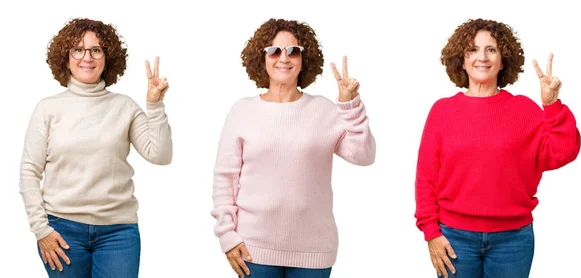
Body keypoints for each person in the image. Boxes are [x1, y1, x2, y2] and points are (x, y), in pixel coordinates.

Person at [414, 18, 581, 278]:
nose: (482, 57)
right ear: (462, 59)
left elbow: (563, 152)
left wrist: (552, 106)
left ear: (503, 60)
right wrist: (430, 233)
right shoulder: (442, 111)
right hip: (454, 239)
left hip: (513, 242)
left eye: (491, 49)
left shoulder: (525, 110)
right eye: (473, 49)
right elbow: (426, 178)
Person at [210, 18, 376, 278]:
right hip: (253, 249)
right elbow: (225, 179)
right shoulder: (242, 111)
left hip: (313, 251)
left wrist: (350, 104)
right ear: (262, 58)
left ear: (303, 59)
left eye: (293, 51)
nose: (283, 59)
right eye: (274, 51)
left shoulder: (324, 110)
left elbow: (363, 155)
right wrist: (227, 236)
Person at [19, 18, 172, 277]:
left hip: (118, 233)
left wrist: (155, 106)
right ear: (66, 57)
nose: (86, 57)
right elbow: (29, 172)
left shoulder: (124, 106)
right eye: (78, 49)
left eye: (96, 50)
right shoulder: (48, 109)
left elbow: (160, 155)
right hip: (62, 230)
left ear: (106, 57)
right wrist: (41, 230)